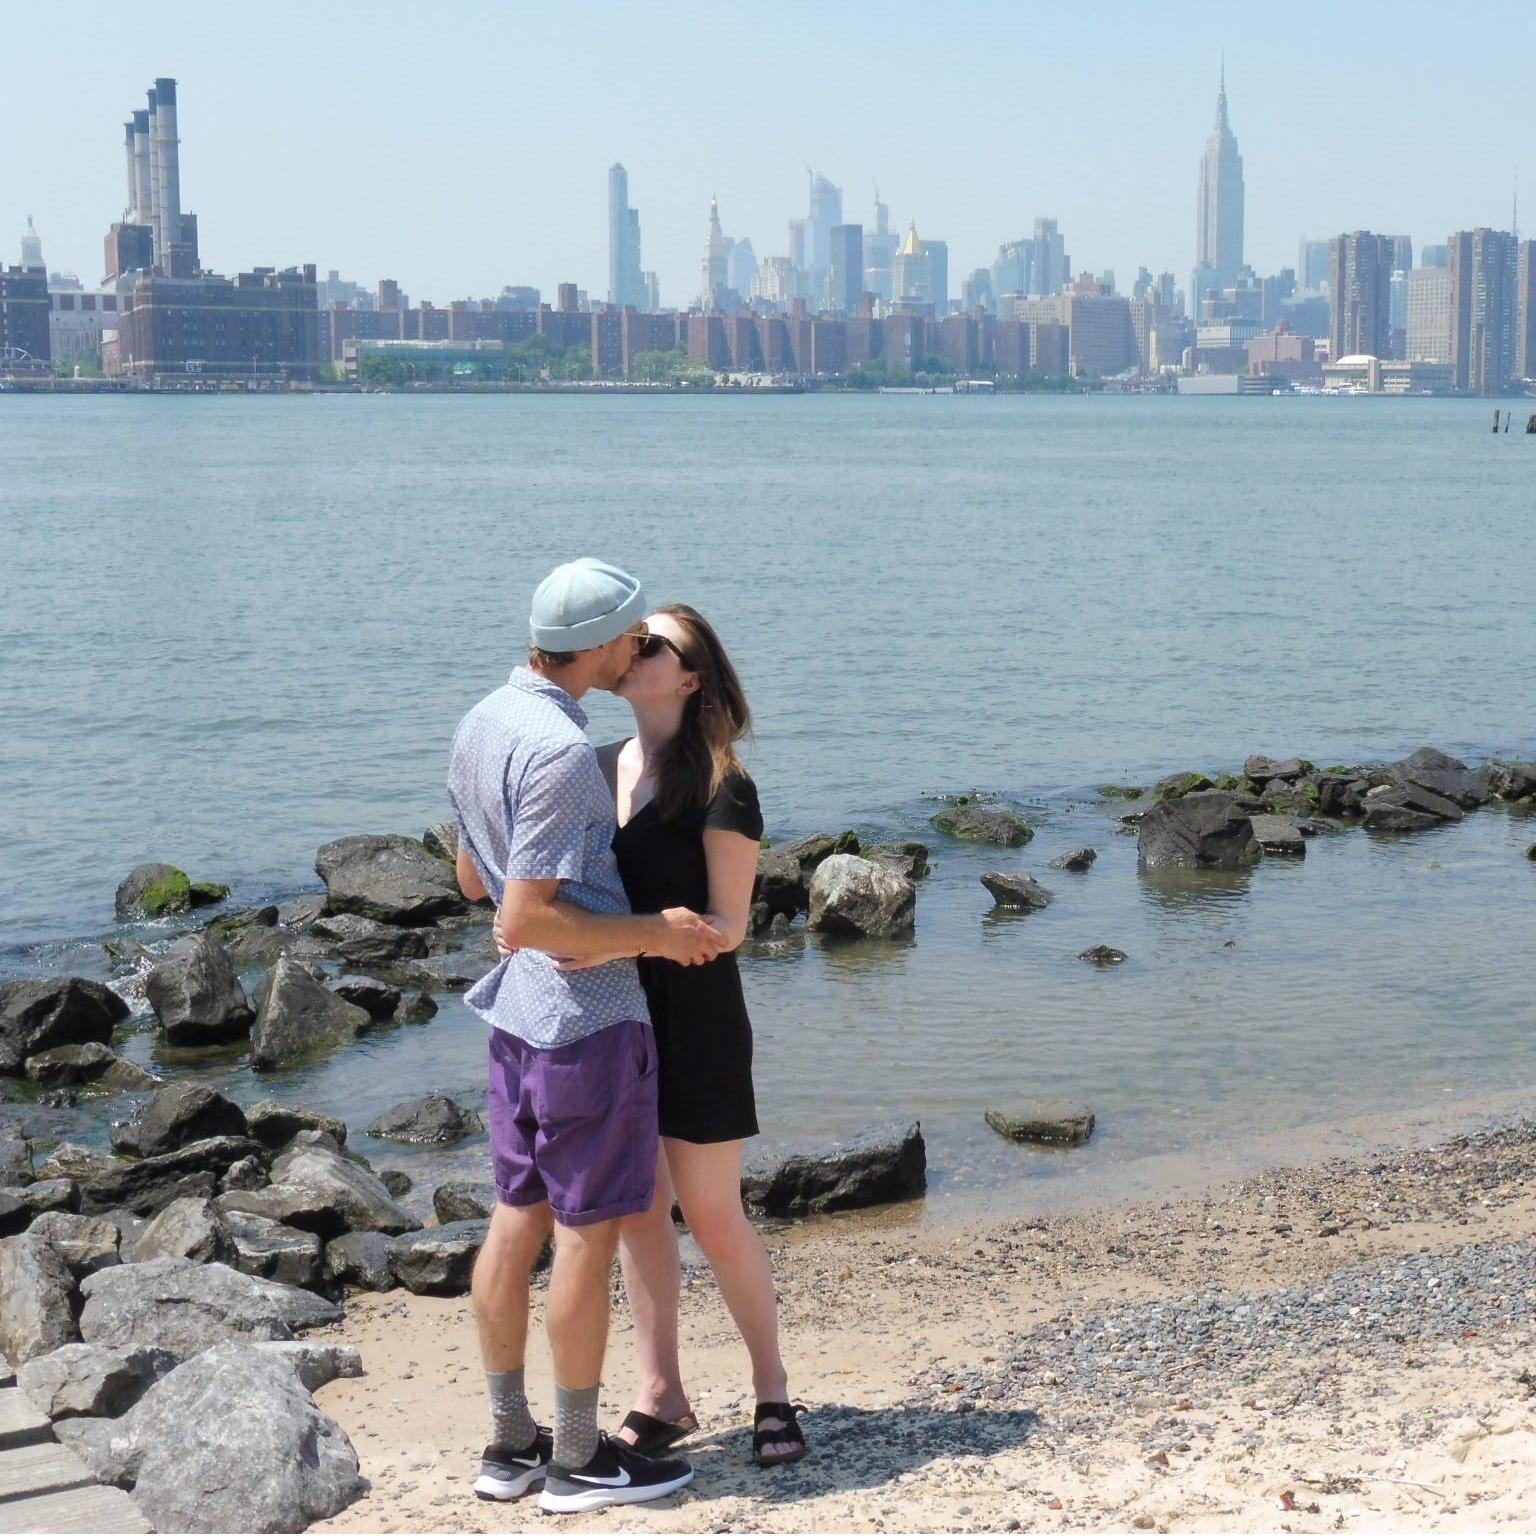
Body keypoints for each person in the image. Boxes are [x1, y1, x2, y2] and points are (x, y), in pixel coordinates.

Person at [496, 603, 808, 1468]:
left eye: (656, 644)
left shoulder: (722, 783)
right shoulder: (590, 766)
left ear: (692, 677)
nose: (636, 650)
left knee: (712, 1214)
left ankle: (773, 1390)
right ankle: (660, 1390)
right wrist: (526, 922)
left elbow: (731, 924)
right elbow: (548, 885)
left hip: (697, 1015)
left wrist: (639, 932)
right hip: (610, 1013)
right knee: (637, 1214)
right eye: (633, 638)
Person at [448, 558, 727, 1515]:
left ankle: (508, 1441)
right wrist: (657, 931)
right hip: (586, 1026)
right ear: (602, 645)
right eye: (631, 640)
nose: (637, 651)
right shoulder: (567, 753)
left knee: (513, 1217)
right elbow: (528, 916)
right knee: (584, 1234)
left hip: (515, 1023)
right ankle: (577, 1458)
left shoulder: (483, 719)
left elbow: (474, 884)